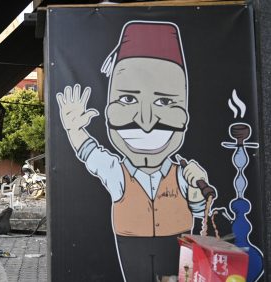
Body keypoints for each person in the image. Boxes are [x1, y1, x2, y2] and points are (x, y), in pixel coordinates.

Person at [56, 21, 216, 280]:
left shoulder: (184, 172)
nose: (146, 120)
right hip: (131, 244)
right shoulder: (116, 172)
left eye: (164, 101)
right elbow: (90, 153)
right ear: (109, 112)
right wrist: (74, 130)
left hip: (177, 243)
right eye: (128, 99)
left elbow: (203, 216)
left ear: (185, 116)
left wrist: (199, 193)